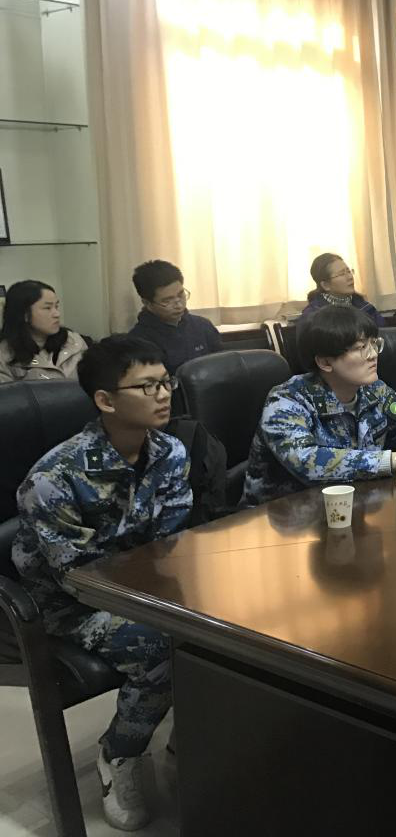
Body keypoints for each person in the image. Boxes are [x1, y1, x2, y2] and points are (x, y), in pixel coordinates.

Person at [12, 336, 197, 830]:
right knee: (161, 644)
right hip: (68, 603)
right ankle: (120, 753)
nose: (164, 395)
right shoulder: (55, 477)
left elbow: (171, 541)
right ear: (105, 400)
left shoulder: (169, 451)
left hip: (143, 584)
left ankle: (192, 730)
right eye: (147, 386)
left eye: (166, 382)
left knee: (228, 618)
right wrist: (161, 605)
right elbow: (75, 574)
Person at [240, 305, 396, 505]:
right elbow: (306, 460)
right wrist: (394, 460)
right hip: (281, 515)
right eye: (361, 348)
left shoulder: (374, 390)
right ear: (325, 363)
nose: (373, 354)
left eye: (374, 343)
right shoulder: (286, 400)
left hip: (353, 505)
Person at [128, 259, 223, 374]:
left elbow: (222, 367)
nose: (179, 304)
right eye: (167, 300)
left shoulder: (203, 326)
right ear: (147, 303)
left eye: (181, 294)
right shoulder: (139, 341)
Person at [0, 279, 89, 384]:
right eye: (47, 308)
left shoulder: (74, 341)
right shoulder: (5, 356)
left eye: (56, 306)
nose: (57, 314)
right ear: (25, 314)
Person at [300, 253, 386, 326]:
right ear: (325, 285)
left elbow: (384, 335)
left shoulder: (365, 307)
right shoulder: (313, 316)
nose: (350, 277)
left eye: (348, 271)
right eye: (341, 274)